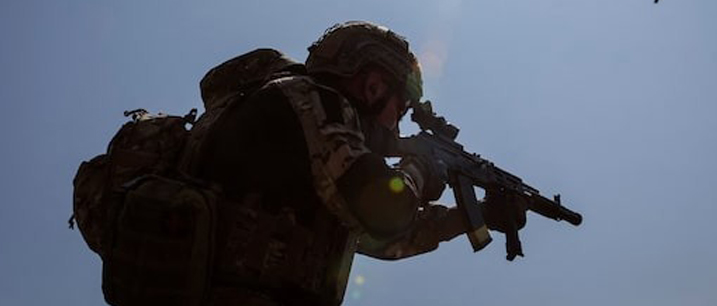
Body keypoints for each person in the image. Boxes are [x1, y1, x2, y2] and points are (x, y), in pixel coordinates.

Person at [187, 21, 526, 306]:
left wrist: (477, 214)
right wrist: (420, 167)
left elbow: (389, 241)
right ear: (373, 86)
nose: (396, 127)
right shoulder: (313, 99)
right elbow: (387, 212)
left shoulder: (313, 152)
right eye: (402, 111)